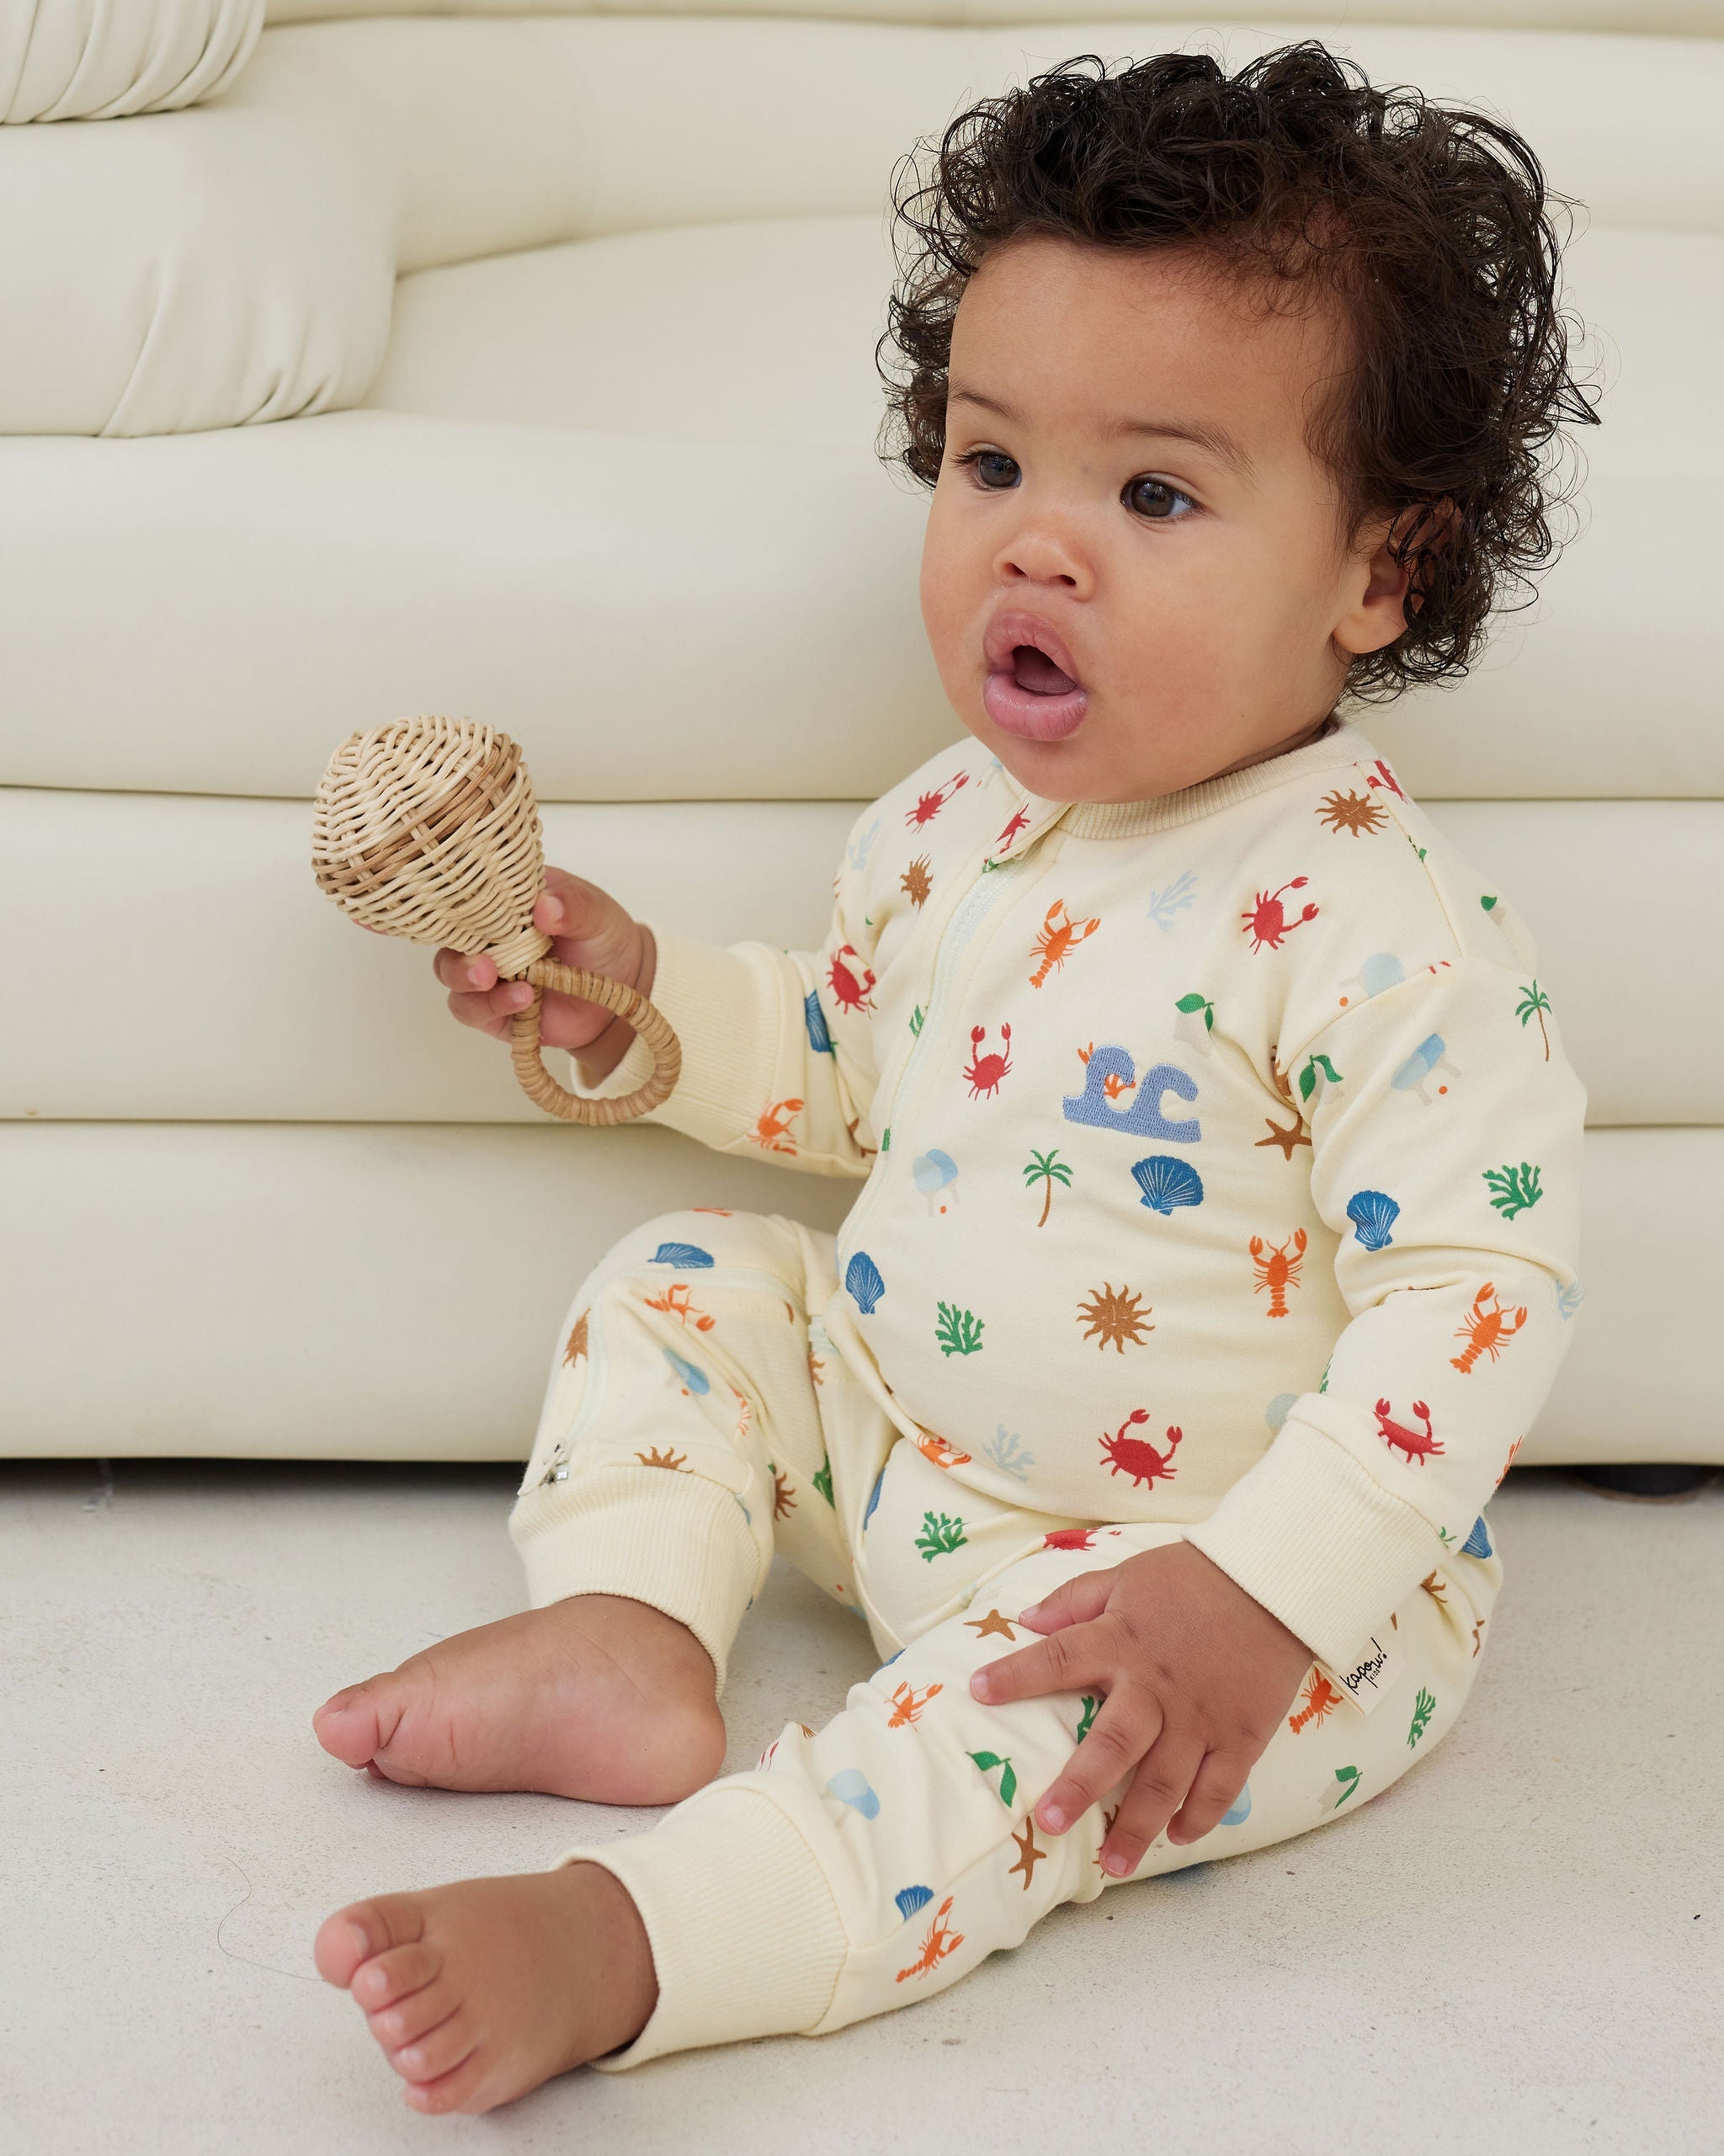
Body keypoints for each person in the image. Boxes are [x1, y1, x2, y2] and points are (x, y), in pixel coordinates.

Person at [311, 41, 1596, 2112]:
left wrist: (1264, 1592)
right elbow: (859, 1074)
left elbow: (1480, 1293)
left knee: (1020, 1750)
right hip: (905, 1441)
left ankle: (645, 1938)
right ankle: (631, 1628)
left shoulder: (1378, 926)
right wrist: (647, 1012)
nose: (1037, 549)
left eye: (1154, 494)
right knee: (690, 1278)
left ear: (1384, 571)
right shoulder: (944, 825)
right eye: (992, 466)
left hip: (1201, 1586)